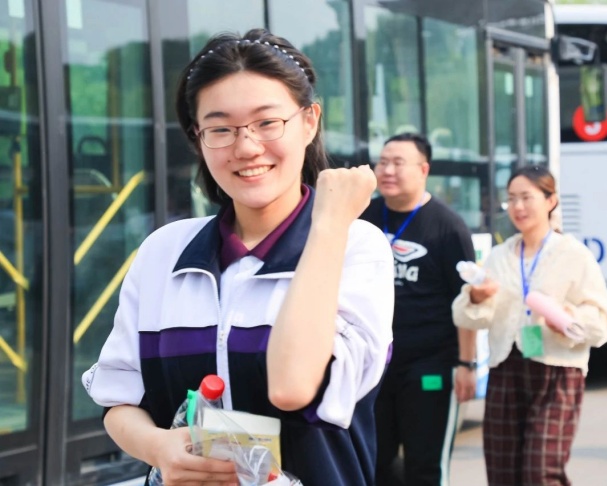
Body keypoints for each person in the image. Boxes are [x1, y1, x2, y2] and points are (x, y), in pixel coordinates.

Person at [81, 29, 395, 486]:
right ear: (198, 138)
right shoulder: (164, 252)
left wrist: (329, 223)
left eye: (267, 123)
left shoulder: (353, 246)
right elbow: (118, 398)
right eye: (221, 129)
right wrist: (159, 448)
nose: (246, 147)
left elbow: (292, 387)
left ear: (309, 121)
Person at [452, 165, 607, 486]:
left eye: (527, 197)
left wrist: (568, 320)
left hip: (557, 371)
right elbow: (468, 316)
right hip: (506, 368)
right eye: (511, 199)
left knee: (541, 471)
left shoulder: (574, 255)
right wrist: (476, 297)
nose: (518, 207)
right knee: (502, 472)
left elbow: (602, 321)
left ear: (550, 201)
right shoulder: (500, 256)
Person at [359, 132, 478, 485]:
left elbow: (466, 302)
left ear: (423, 169)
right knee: (374, 464)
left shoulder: (448, 227)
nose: (387, 170)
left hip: (430, 363)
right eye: (382, 162)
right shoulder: (363, 217)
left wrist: (466, 364)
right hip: (373, 363)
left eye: (398, 163)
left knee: (425, 467)